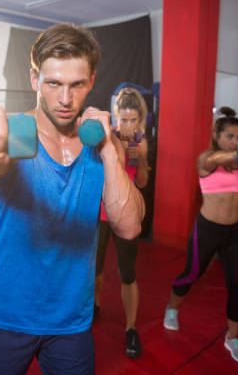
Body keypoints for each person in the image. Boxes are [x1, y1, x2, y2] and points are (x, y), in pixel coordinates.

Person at [0, 23, 145, 374]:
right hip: (5, 314)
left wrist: (110, 149)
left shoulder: (102, 145)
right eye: (53, 83)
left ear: (92, 81)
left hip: (71, 322)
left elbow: (128, 227)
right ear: (35, 79)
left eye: (76, 85)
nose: (65, 99)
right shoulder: (12, 136)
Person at [163, 107, 238, 364]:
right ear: (217, 136)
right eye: (230, 136)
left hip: (236, 232)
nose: (235, 141)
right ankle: (172, 308)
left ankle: (233, 338)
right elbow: (217, 159)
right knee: (192, 273)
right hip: (208, 229)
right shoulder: (206, 158)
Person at [94, 87, 149, 359]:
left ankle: (130, 328)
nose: (128, 126)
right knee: (94, 267)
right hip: (102, 212)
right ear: (116, 117)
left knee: (128, 274)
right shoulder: (108, 138)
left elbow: (141, 182)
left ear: (141, 121)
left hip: (126, 214)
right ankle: (94, 305)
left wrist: (138, 154)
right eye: (124, 120)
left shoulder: (140, 143)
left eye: (133, 121)